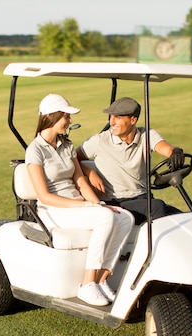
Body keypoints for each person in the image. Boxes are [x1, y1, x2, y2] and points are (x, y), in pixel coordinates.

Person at [25, 94, 135, 306]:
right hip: (52, 211)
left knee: (124, 218)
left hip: (75, 207)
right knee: (104, 218)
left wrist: (99, 205)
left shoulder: (66, 145)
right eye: (65, 116)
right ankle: (86, 284)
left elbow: (81, 181)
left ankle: (101, 279)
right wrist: (86, 206)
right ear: (50, 117)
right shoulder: (35, 151)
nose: (69, 121)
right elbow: (44, 196)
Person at [76, 97, 185, 225]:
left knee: (184, 218)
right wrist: (89, 172)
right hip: (116, 202)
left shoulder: (146, 135)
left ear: (133, 120)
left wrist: (175, 152)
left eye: (117, 117)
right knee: (157, 207)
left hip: (143, 198)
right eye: (111, 117)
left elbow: (166, 149)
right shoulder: (100, 141)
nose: (112, 122)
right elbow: (72, 158)